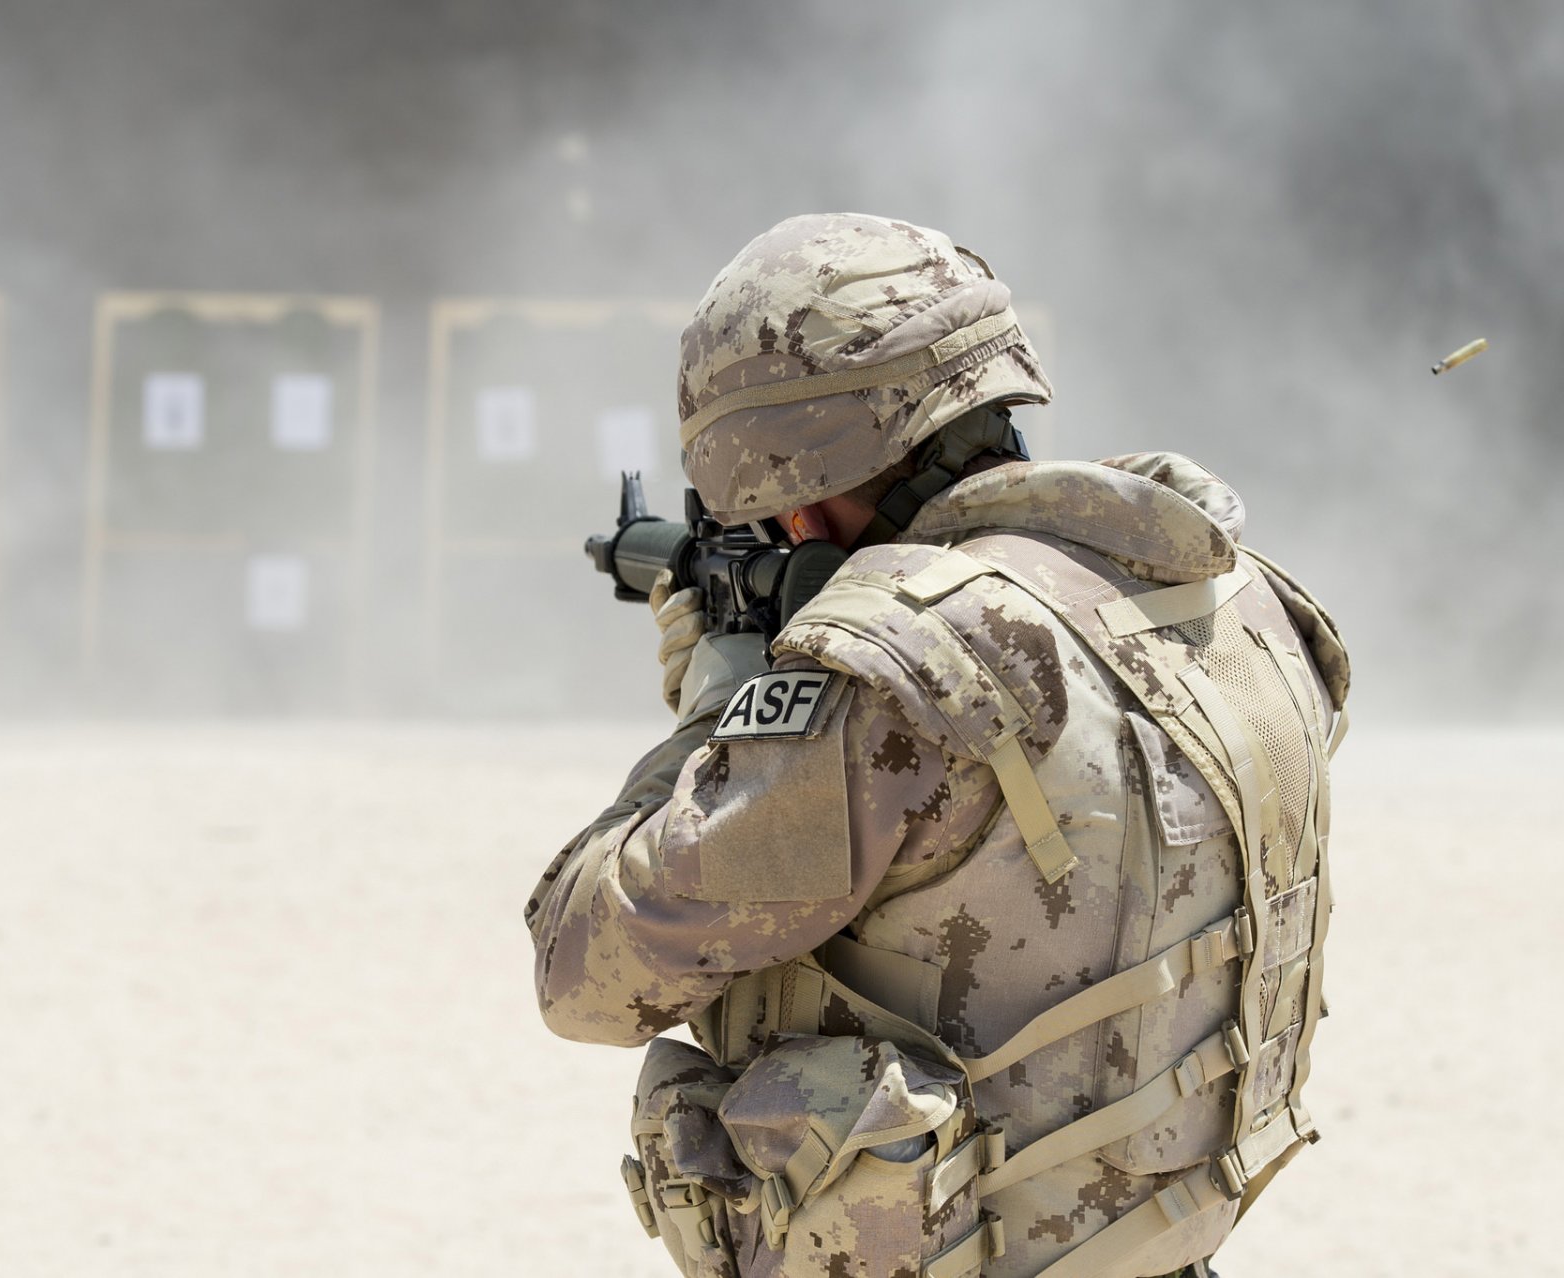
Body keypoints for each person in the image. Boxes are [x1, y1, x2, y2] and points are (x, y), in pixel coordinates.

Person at [523, 213, 1350, 1278]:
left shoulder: (898, 667)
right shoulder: (1232, 595)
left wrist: (715, 708)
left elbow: (585, 973)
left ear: (802, 499)